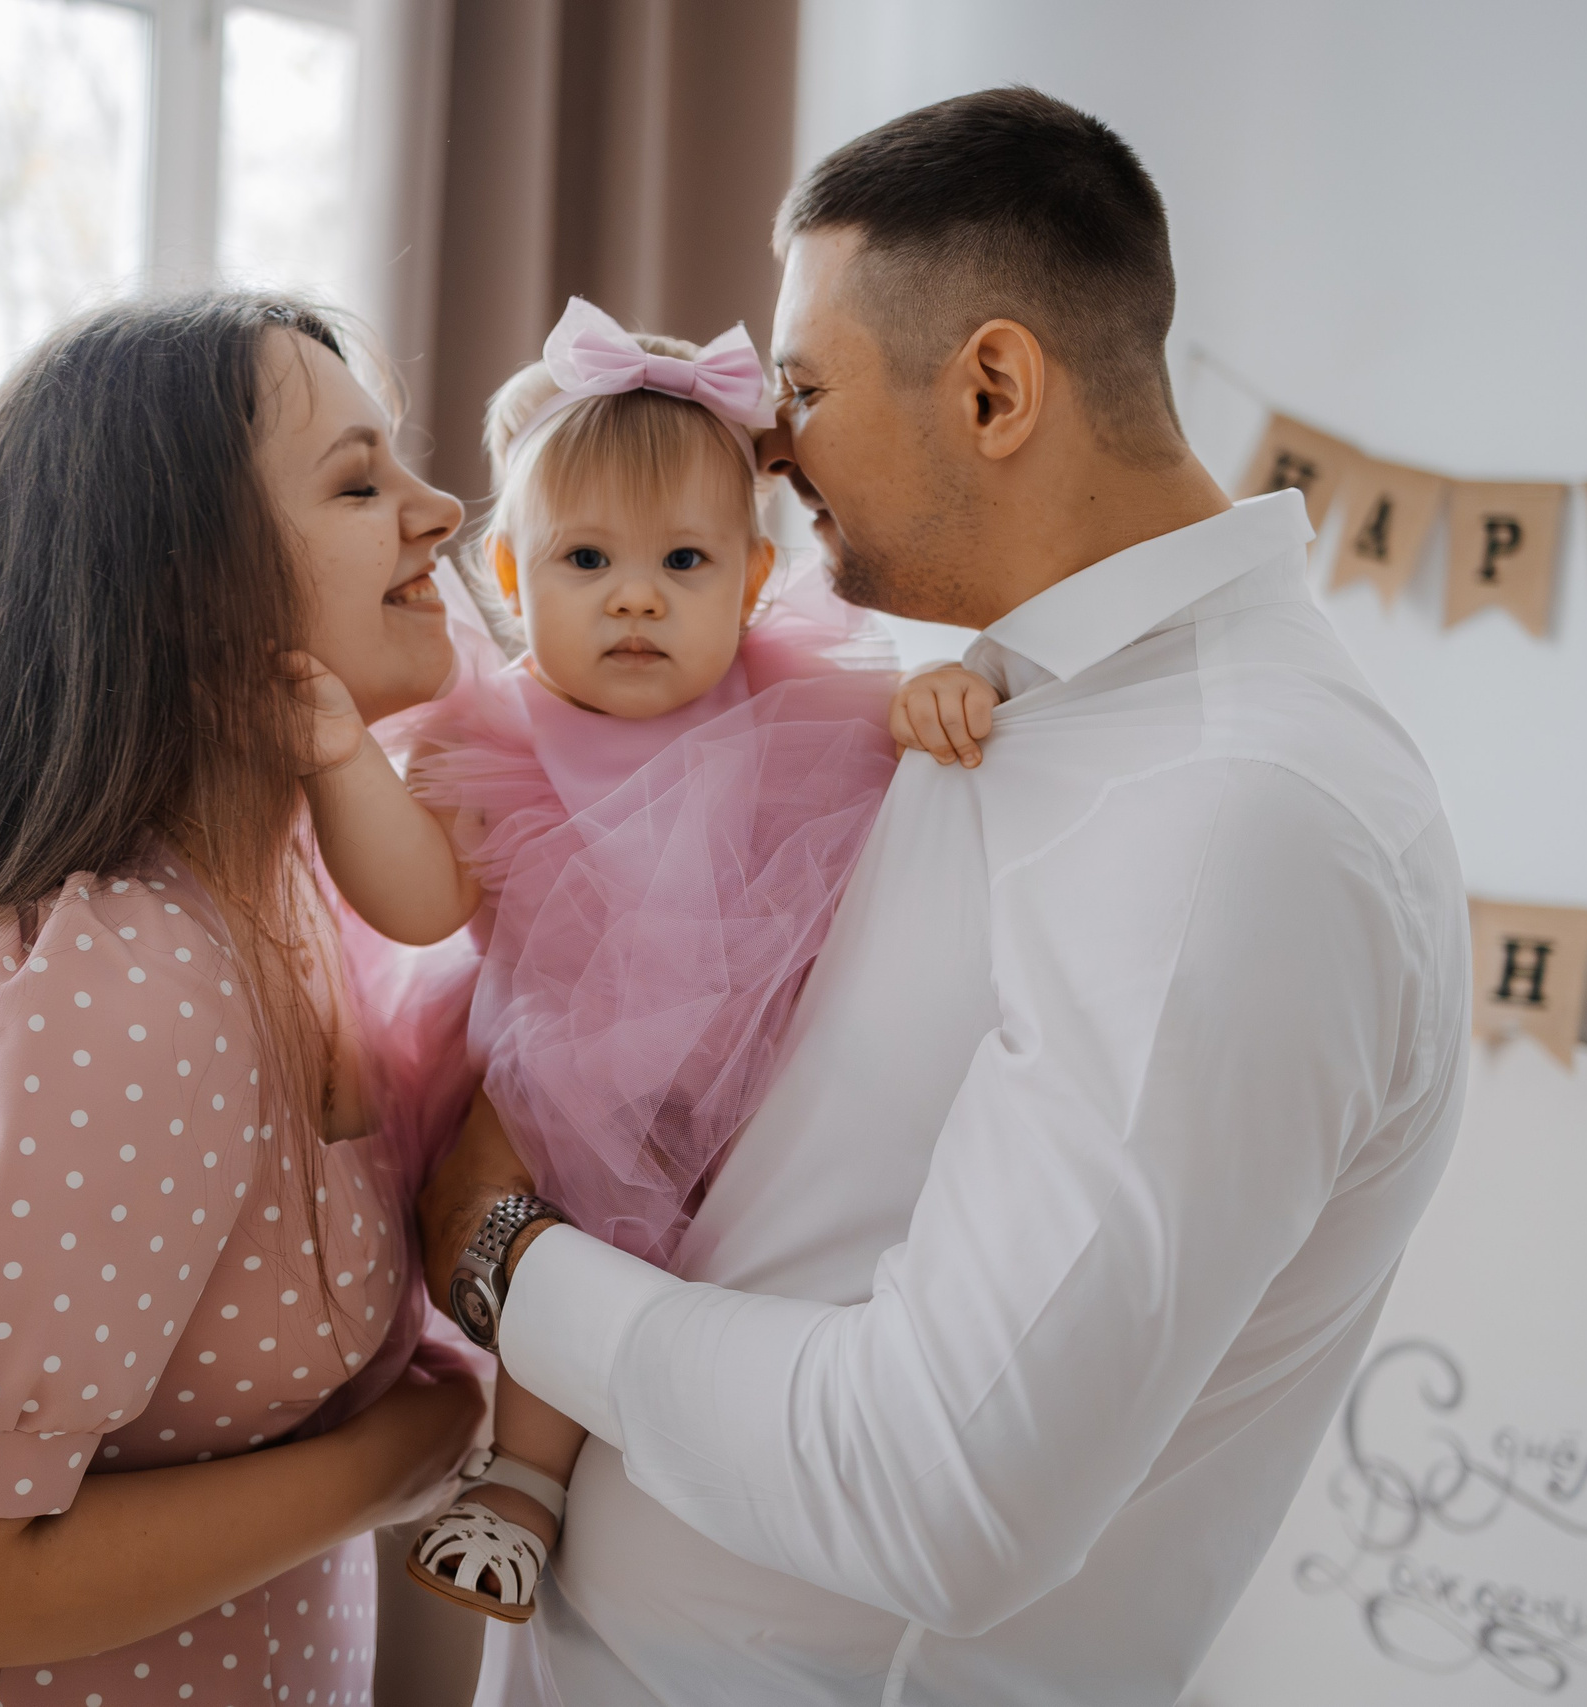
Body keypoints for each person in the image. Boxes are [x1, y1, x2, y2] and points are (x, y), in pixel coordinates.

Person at [419, 87, 1472, 1706]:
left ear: (991, 387)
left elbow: (942, 1495)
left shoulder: (1235, 821)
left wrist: (504, 1256)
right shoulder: (1012, 707)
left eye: (808, 385)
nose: (766, 441)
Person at [0, 294, 488, 1707]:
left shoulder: (302, 910)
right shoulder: (130, 993)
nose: (441, 509)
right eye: (358, 480)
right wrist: (401, 1454)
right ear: (188, 591)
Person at [292, 296, 999, 1623]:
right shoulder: (490, 734)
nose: (635, 597)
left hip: (777, 1084)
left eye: (683, 563)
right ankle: (523, 1487)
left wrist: (933, 698)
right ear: (510, 580)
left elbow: (899, 758)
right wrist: (341, 760)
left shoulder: (802, 700)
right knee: (550, 1202)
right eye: (585, 563)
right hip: (562, 1068)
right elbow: (422, 902)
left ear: (749, 583)